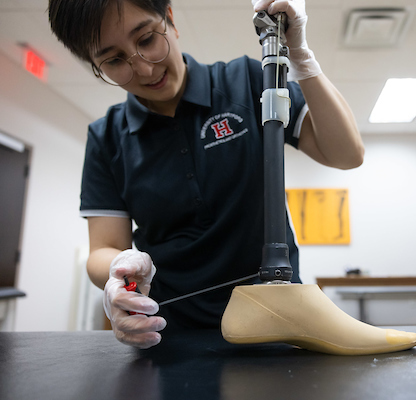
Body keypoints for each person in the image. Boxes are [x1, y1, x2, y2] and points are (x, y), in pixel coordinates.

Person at [48, 0, 364, 349]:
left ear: (169, 18)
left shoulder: (246, 80)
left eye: (147, 39)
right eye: (114, 60)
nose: (145, 69)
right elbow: (104, 247)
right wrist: (118, 271)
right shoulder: (106, 137)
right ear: (96, 66)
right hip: (169, 335)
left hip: (279, 322)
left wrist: (301, 56)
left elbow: (347, 155)